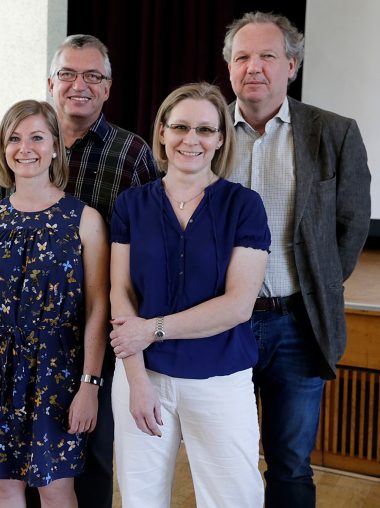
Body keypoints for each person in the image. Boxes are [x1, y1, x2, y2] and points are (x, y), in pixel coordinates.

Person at [0, 34, 158, 508]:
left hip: (97, 336)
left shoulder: (132, 153)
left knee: (91, 457)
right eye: (67, 74)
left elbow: (146, 250)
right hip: (24, 340)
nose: (78, 85)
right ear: (50, 83)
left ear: (108, 88)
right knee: (18, 467)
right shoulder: (22, 148)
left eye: (93, 76)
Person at [222, 12, 372, 506]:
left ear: (291, 65)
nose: (254, 68)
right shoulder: (206, 132)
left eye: (267, 56)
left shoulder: (333, 133)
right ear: (229, 68)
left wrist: (317, 282)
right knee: (228, 460)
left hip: (298, 326)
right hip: (223, 328)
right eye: (242, 57)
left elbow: (350, 226)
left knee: (289, 465)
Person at [108, 82, 270, 507]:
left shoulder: (244, 206)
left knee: (234, 499)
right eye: (180, 126)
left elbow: (237, 305)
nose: (191, 139)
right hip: (143, 378)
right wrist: (136, 380)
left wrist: (153, 330)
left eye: (204, 129)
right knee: (141, 500)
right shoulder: (130, 205)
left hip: (220, 378)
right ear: (162, 132)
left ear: (220, 139)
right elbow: (120, 291)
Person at [0, 99, 109, 508]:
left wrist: (89, 385)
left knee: (56, 488)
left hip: (59, 369)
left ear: (55, 145)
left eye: (37, 137)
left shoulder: (84, 219)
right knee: (4, 486)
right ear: (3, 149)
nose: (25, 148)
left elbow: (97, 307)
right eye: (14, 139)